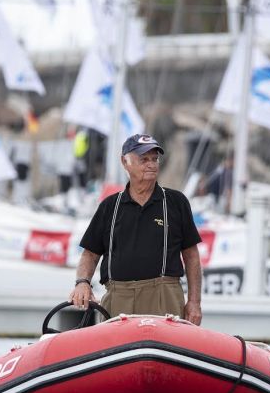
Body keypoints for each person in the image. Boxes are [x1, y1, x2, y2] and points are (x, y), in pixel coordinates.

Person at [69, 134, 203, 325]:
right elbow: (90, 254)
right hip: (118, 297)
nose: (151, 164)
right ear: (125, 162)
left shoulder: (176, 202)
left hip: (164, 297)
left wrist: (194, 302)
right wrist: (82, 282)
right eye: (144, 159)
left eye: (154, 159)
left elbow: (192, 256)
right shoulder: (109, 206)